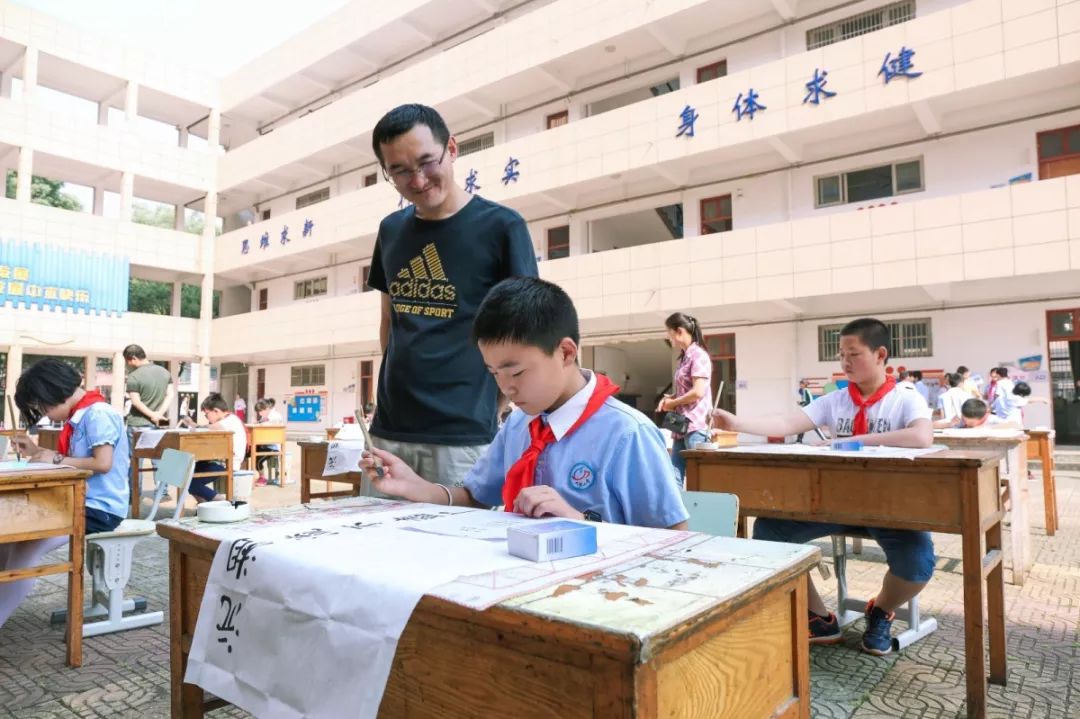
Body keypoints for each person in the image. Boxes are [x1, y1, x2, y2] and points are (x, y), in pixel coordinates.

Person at [360, 277, 688, 530]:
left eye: (515, 371)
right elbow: (477, 497)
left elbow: (672, 538)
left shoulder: (627, 434)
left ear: (566, 352)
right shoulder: (520, 424)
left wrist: (579, 523)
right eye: (493, 373)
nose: (506, 387)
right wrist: (416, 486)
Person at [710, 318, 933, 656]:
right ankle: (818, 616)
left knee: (917, 563)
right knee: (770, 532)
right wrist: (738, 423)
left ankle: (879, 610)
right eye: (841, 354)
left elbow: (921, 436)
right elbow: (787, 423)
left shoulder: (905, 398)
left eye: (853, 354)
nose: (845, 362)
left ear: (880, 354)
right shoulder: (835, 400)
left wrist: (853, 441)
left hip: (889, 507)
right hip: (834, 502)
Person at [366, 103, 539, 489]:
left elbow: (523, 330)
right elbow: (389, 321)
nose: (418, 180)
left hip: (463, 434)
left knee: (460, 544)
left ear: (453, 149)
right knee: (378, 545)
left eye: (427, 161)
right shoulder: (391, 230)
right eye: (400, 170)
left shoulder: (502, 227)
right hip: (390, 430)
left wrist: (497, 404)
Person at [3, 359, 130, 626]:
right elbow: (72, 459)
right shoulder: (82, 415)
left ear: (55, 393)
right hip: (78, 501)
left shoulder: (98, 414)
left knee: (26, 546)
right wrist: (37, 452)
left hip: (100, 508)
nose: (46, 415)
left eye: (44, 406)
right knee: (9, 537)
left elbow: (102, 463)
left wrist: (55, 459)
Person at [657, 312, 712, 486]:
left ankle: (700, 513)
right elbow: (686, 390)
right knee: (674, 477)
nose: (668, 337)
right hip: (680, 426)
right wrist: (670, 398)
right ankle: (678, 513)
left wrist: (673, 403)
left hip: (696, 426)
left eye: (669, 332)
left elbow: (698, 392)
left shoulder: (699, 356)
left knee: (700, 479)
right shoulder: (685, 357)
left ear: (679, 331)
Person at [179, 393, 246, 503]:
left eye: (207, 414)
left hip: (226, 463)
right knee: (182, 473)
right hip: (218, 460)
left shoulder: (230, 421)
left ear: (216, 411)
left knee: (190, 482)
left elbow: (211, 428)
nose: (207, 418)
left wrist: (194, 425)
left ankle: (220, 501)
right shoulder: (228, 419)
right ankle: (203, 505)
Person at [122, 344, 173, 431]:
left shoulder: (133, 376)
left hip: (138, 424)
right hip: (159, 423)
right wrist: (159, 414)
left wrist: (153, 415)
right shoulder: (165, 372)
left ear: (134, 358)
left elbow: (136, 402)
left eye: (127, 361)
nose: (127, 364)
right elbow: (170, 394)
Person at [252, 399, 283, 486]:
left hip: (272, 446)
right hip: (264, 443)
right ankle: (246, 476)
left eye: (260, 411)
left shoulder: (275, 416)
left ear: (266, 408)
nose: (259, 414)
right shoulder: (265, 416)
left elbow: (265, 425)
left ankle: (263, 478)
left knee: (257, 460)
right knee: (249, 452)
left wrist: (258, 423)